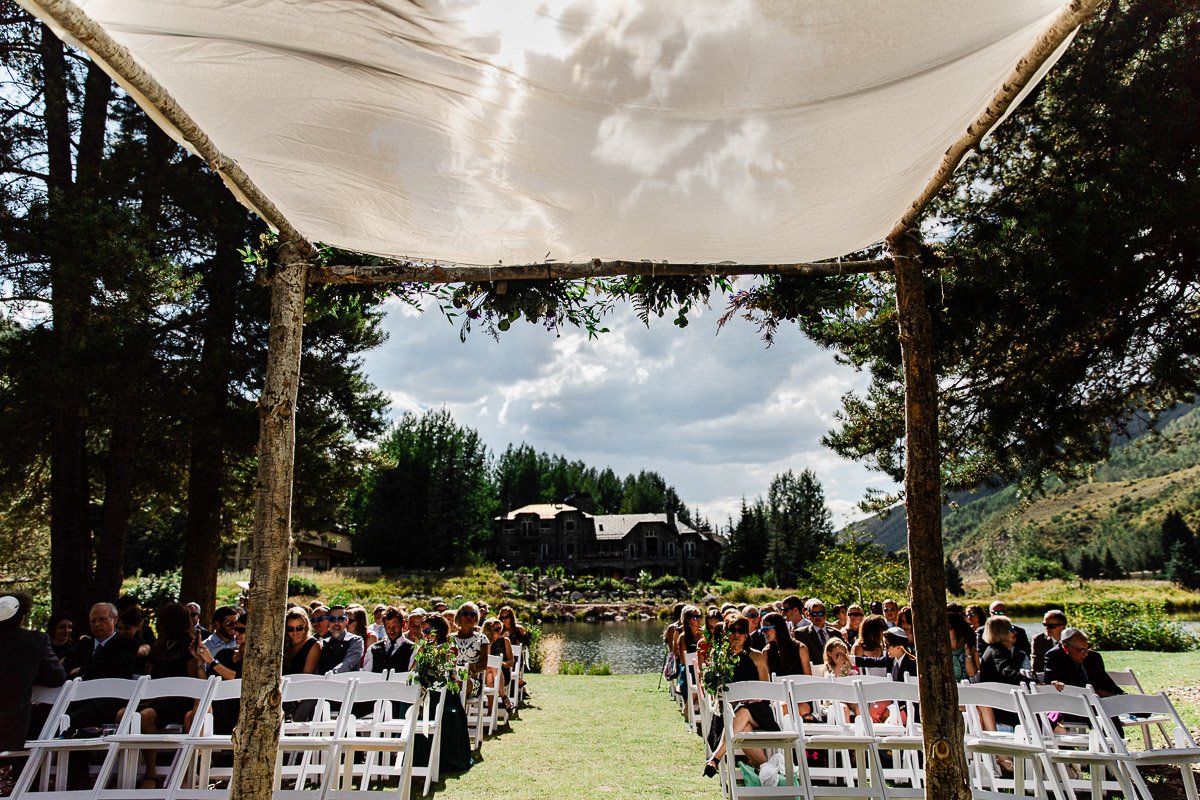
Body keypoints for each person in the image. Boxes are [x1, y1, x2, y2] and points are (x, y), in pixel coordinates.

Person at [119, 603, 203, 789]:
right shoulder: (158, 646)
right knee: (122, 714)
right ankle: (125, 771)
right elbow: (149, 674)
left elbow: (191, 679)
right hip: (154, 699)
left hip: (178, 701)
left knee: (146, 715)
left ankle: (151, 773)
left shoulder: (188, 645)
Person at [703, 616, 781, 784]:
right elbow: (713, 689)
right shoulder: (719, 656)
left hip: (757, 710)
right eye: (733, 631)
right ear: (726, 633)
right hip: (729, 711)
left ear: (747, 635)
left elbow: (766, 687)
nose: (736, 635)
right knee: (743, 728)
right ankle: (768, 770)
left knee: (744, 711)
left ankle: (715, 758)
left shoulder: (756, 656)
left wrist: (756, 696)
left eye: (741, 631)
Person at [0, 593, 66, 779]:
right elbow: (57, 676)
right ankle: (28, 784)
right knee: (39, 721)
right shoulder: (35, 640)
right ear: (22, 616)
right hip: (12, 731)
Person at [63, 602, 140, 728]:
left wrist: (84, 669)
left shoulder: (127, 644)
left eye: (102, 620)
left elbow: (118, 665)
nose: (97, 624)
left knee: (72, 720)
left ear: (114, 620)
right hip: (79, 700)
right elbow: (69, 670)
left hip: (109, 701)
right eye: (93, 621)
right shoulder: (81, 649)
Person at [978, 616, 1042, 726]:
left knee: (1047, 716)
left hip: (1005, 703)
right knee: (1044, 715)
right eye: (1011, 628)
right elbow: (1007, 671)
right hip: (1002, 707)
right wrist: (1032, 683)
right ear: (1002, 632)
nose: (1015, 631)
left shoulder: (996, 650)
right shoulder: (997, 652)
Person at [1043, 627, 1124, 697]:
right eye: (1081, 650)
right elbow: (1050, 682)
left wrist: (1122, 696)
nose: (1086, 654)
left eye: (1087, 648)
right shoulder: (1054, 656)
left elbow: (1106, 682)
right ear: (1065, 648)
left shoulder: (1094, 657)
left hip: (1102, 703)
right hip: (1072, 705)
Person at [450, 603, 488, 701]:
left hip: (473, 681)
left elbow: (484, 665)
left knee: (461, 681)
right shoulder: (450, 638)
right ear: (459, 617)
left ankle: (456, 714)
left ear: (476, 618)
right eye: (466, 614)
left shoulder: (482, 638)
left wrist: (469, 668)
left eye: (473, 614)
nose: (469, 617)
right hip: (452, 678)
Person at [851, 626, 916, 683]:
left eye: (887, 646)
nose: (885, 649)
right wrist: (849, 658)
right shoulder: (889, 658)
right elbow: (872, 662)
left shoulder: (912, 662)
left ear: (898, 647)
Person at [363, 607, 414, 673]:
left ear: (403, 624)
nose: (392, 631)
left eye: (395, 626)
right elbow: (366, 674)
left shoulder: (413, 649)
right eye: (388, 627)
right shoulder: (373, 649)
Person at [317, 605, 363, 674]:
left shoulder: (355, 641)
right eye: (332, 619)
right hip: (322, 683)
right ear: (328, 622)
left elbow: (348, 663)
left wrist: (332, 674)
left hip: (346, 683)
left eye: (340, 619)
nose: (336, 623)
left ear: (347, 621)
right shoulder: (322, 643)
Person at [482, 617, 515, 713]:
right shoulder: (484, 642)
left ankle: (491, 709)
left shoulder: (505, 641)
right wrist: (489, 644)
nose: (500, 631)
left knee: (491, 674)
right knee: (490, 672)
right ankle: (504, 697)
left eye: (501, 628)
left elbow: (511, 662)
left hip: (502, 674)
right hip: (485, 672)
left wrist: (501, 663)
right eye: (497, 629)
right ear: (489, 631)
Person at [282, 607, 322, 675]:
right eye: (290, 629)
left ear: (305, 626)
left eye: (299, 628)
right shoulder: (284, 644)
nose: (295, 632)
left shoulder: (314, 645)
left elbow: (306, 675)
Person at [1033, 610, 1067, 674]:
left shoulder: (1072, 640)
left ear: (1063, 626)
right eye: (1045, 625)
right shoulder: (1039, 640)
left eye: (1051, 626)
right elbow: (1037, 666)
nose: (1047, 628)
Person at [948, 612, 979, 682]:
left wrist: (967, 652)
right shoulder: (940, 647)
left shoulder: (968, 645)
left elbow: (972, 673)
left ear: (956, 628)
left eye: (949, 628)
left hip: (966, 685)